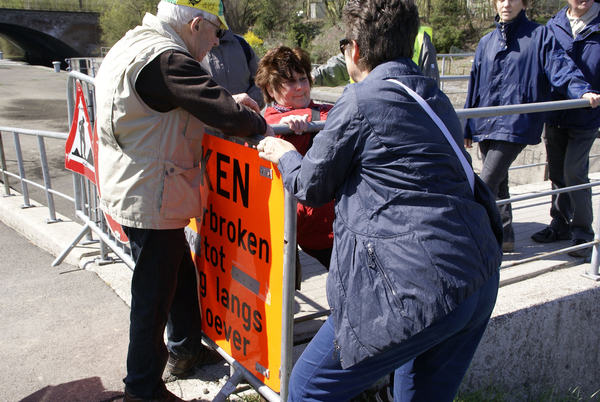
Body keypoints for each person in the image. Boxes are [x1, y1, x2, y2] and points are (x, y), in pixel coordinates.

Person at [257, 0, 504, 399]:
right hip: (477, 274)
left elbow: (312, 185)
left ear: (354, 49)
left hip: (413, 287)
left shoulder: (359, 100)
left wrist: (284, 154)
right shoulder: (431, 93)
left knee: (305, 391)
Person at [94, 0, 272, 400]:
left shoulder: (135, 43)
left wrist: (226, 98)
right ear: (195, 25)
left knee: (172, 272)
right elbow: (228, 116)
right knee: (152, 296)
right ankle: (142, 388)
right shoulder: (168, 59)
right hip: (152, 192)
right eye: (214, 36)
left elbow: (180, 102)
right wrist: (259, 121)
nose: (214, 46)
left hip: (136, 182)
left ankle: (186, 349)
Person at [463, 0, 600, 253]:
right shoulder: (486, 42)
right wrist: (468, 126)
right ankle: (504, 236)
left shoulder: (539, 35)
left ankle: (470, 241)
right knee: (500, 181)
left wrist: (581, 91)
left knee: (487, 181)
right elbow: (475, 83)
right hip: (486, 122)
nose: (506, 4)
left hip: (517, 121)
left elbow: (559, 66)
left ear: (524, 4)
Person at [255, 46, 335, 269]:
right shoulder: (265, 123)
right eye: (289, 82)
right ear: (271, 90)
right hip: (315, 226)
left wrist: (308, 119)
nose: (300, 87)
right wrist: (288, 126)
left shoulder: (322, 111)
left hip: (326, 223)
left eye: (303, 78)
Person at [531, 0, 600, 258]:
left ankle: (583, 232)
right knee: (558, 173)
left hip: (586, 114)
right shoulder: (554, 25)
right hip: (556, 113)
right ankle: (559, 224)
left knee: (575, 172)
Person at [311, 25, 440, 86]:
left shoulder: (420, 39)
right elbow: (342, 64)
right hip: (367, 114)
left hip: (407, 120)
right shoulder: (365, 27)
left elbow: (432, 89)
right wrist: (310, 77)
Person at [200, 1, 264, 109]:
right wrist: (226, 106)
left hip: (246, 122)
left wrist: (245, 105)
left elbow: (262, 82)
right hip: (208, 124)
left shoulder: (242, 45)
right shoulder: (190, 49)